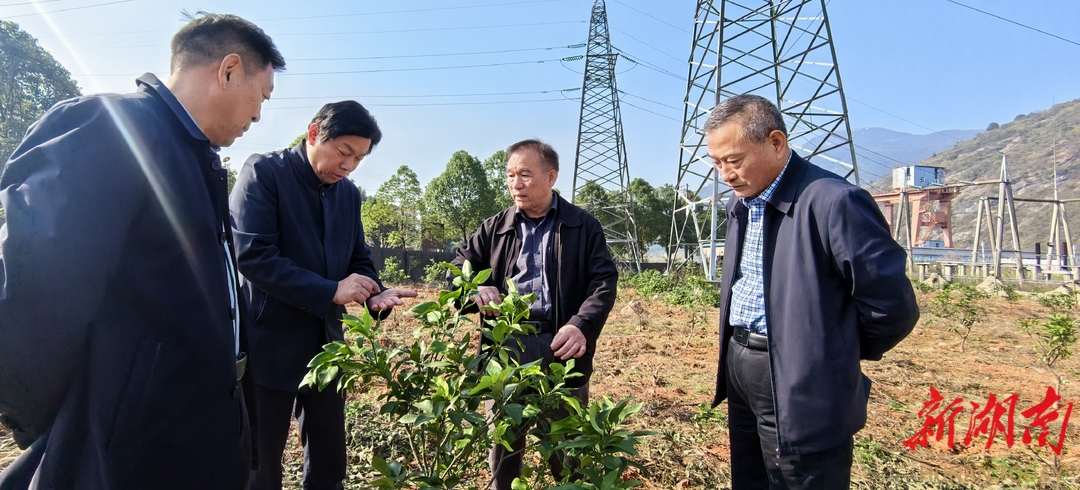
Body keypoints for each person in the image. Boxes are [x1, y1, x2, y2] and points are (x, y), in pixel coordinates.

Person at [0, 13, 284, 489]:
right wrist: (60, 420)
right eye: (262, 97)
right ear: (229, 70)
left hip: (190, 434)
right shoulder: (114, 128)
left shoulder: (197, 157)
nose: (258, 115)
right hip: (132, 448)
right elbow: (34, 288)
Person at [707, 94, 919, 489]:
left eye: (734, 160)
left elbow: (893, 307)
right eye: (716, 163)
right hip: (741, 363)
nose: (725, 174)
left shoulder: (834, 201)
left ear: (776, 142)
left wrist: (825, 352)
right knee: (751, 477)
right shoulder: (745, 203)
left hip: (801, 379)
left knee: (801, 477)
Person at [230, 100, 417, 490]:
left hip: (326, 346)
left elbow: (358, 258)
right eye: (343, 152)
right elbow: (253, 255)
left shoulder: (347, 194)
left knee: (329, 458)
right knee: (261, 460)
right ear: (314, 133)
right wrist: (330, 290)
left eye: (359, 158)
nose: (348, 166)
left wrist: (373, 293)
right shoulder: (265, 173)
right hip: (269, 343)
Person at [450, 139, 618, 489]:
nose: (515, 184)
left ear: (551, 176)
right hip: (506, 347)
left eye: (525, 174)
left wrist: (582, 325)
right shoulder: (495, 227)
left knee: (566, 445)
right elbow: (455, 271)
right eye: (510, 175)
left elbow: (603, 281)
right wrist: (472, 289)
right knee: (505, 442)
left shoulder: (582, 226)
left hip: (560, 347)